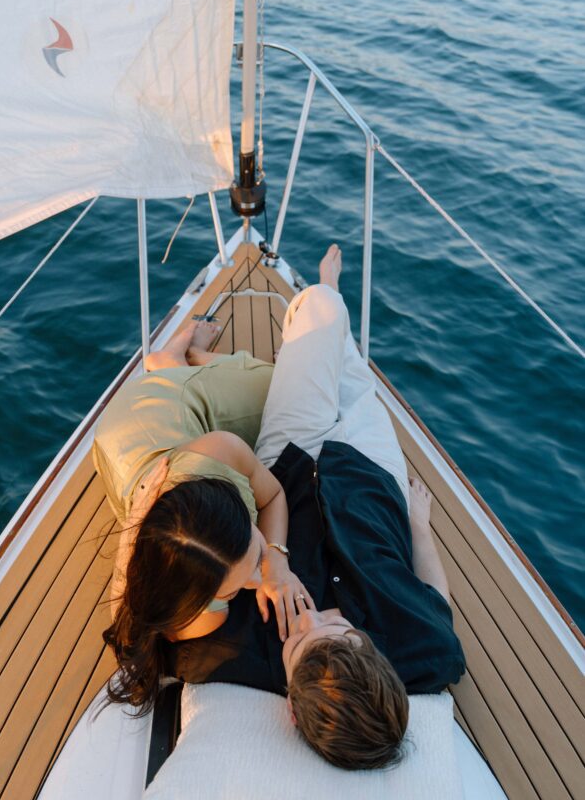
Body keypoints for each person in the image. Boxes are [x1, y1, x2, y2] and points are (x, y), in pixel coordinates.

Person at [166, 245, 466, 770]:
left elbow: (159, 628)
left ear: (291, 713)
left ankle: (323, 312)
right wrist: (419, 527)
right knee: (358, 382)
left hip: (290, 457)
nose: (313, 617)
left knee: (322, 309)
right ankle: (327, 325)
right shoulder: (430, 655)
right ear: (376, 655)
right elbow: (435, 596)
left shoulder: (233, 655)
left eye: (299, 640)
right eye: (339, 626)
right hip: (374, 473)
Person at [94, 317, 314, 714]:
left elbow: (273, 494)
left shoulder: (221, 451)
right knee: (297, 383)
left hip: (164, 413)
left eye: (254, 546)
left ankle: (175, 363)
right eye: (231, 590)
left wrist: (277, 562)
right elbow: (129, 636)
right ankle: (173, 362)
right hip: (126, 439)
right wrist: (130, 539)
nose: (256, 576)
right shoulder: (192, 610)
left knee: (287, 381)